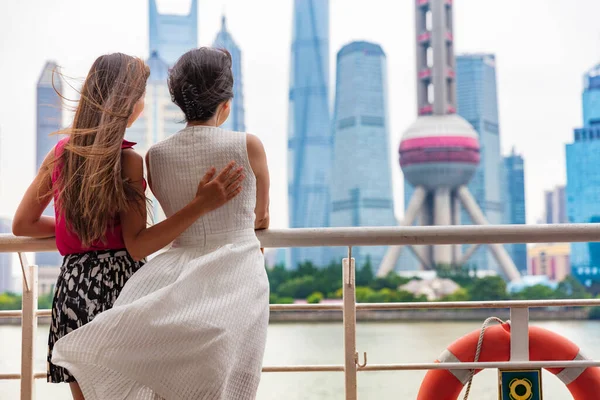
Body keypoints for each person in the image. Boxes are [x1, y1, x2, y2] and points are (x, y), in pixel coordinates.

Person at [12, 53, 245, 400]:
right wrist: (201, 205)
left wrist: (75, 229)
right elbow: (138, 245)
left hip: (73, 291)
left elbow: (23, 224)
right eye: (141, 95)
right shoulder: (128, 161)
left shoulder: (61, 153)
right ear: (129, 104)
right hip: (122, 290)